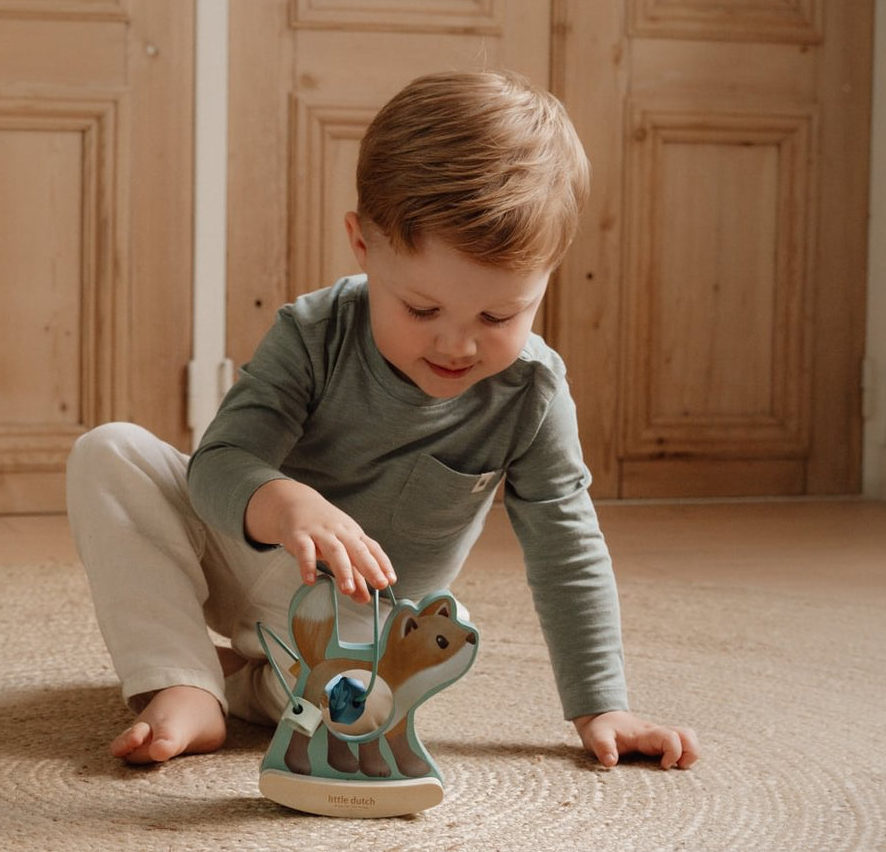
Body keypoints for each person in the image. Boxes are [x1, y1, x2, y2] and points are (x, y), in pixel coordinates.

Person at [66, 70, 699, 772]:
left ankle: (251, 684)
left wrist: (601, 703)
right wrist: (287, 505)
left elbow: (565, 546)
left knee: (360, 707)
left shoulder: (531, 392)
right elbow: (217, 466)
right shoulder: (314, 332)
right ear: (362, 247)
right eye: (421, 310)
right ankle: (184, 683)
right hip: (245, 547)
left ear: (547, 276)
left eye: (498, 315)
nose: (455, 344)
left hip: (358, 619)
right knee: (109, 451)